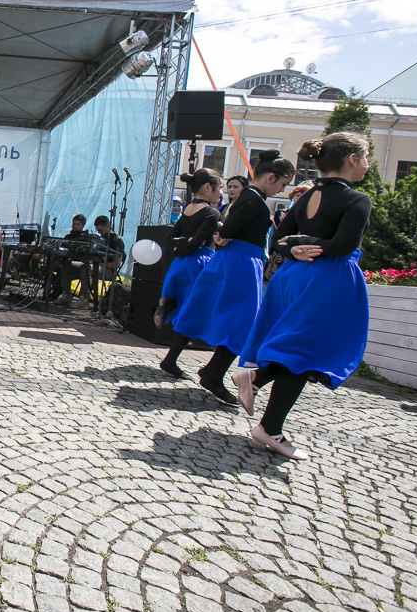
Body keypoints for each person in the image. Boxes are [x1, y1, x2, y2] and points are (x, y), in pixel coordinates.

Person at [232, 133, 372, 460]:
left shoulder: (303, 199)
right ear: (352, 159)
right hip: (327, 279)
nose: (367, 164)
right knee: (304, 353)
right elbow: (343, 246)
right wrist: (309, 244)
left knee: (298, 352)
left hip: (292, 277)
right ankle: (258, 390)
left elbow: (277, 240)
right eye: (365, 157)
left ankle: (266, 415)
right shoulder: (357, 200)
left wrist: (296, 244)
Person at [162, 151, 296, 403]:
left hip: (234, 261)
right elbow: (228, 229)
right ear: (270, 177)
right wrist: (223, 236)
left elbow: (226, 229)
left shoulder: (249, 198)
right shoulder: (254, 200)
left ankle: (203, 368)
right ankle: (213, 373)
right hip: (241, 264)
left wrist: (222, 236)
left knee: (204, 311)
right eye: (282, 183)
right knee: (242, 322)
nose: (281, 189)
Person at [153, 168, 223, 344]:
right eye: (219, 187)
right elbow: (196, 243)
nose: (221, 192)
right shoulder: (212, 213)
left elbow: (170, 239)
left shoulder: (187, 210)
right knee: (196, 306)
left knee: (184, 300)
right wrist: (189, 242)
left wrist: (181, 246)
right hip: (201, 262)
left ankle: (170, 305)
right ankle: (186, 337)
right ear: (208, 187)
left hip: (180, 262)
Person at [55, 214, 95, 309]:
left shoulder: (86, 238)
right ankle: (66, 295)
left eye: (77, 224)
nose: (74, 226)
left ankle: (83, 299)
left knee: (84, 268)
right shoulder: (68, 237)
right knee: (64, 264)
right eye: (73, 224)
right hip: (71, 262)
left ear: (83, 226)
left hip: (83, 263)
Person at [89, 215, 124, 313]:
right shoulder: (99, 240)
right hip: (97, 266)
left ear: (108, 226)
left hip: (108, 271)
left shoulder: (117, 241)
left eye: (100, 230)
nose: (99, 233)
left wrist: (99, 264)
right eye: (97, 230)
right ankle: (67, 295)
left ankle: (85, 299)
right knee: (69, 265)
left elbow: (116, 264)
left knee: (87, 268)